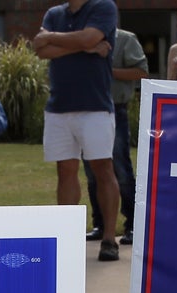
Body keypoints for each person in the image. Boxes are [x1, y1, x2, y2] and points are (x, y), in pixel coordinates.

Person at [34, 0, 122, 262]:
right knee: (65, 170)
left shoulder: (104, 7)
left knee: (103, 169)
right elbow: (40, 50)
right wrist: (85, 47)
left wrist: (53, 38)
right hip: (58, 106)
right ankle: (67, 237)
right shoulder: (54, 13)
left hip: (94, 106)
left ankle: (108, 239)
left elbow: (88, 37)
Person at [84, 27, 148, 245]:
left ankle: (132, 225)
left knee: (120, 169)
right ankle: (100, 225)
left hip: (114, 109)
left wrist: (106, 69)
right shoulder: (80, 40)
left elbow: (141, 71)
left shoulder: (125, 39)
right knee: (93, 173)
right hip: (86, 110)